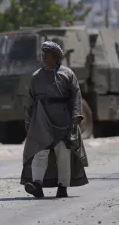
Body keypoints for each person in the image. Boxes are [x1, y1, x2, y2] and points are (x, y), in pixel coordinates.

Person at [20, 40, 89, 198]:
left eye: (47, 55)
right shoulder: (36, 76)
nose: (44, 58)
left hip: (63, 119)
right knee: (40, 152)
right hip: (41, 119)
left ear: (56, 57)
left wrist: (76, 116)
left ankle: (62, 187)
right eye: (43, 55)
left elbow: (76, 96)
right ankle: (37, 184)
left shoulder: (68, 74)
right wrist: (28, 120)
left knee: (63, 153)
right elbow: (30, 100)